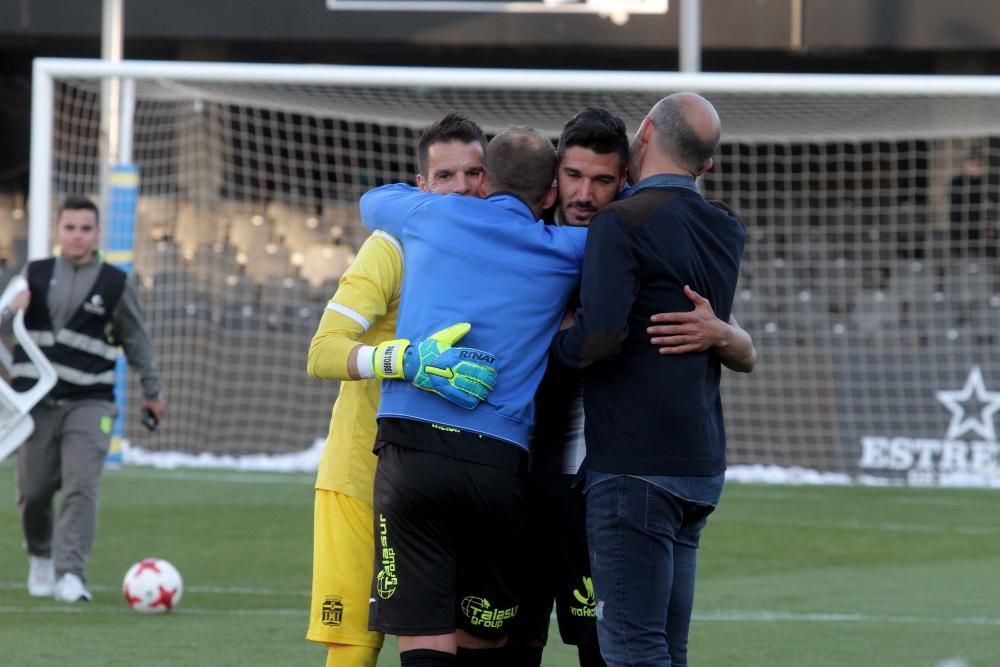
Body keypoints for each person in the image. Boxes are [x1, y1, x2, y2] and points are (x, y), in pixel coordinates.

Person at [513, 107, 756, 667]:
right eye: (572, 177)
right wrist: (734, 339)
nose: (585, 193)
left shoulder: (620, 225)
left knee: (625, 649)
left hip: (623, 470)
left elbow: (601, 336)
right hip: (670, 467)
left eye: (601, 180)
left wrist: (551, 341)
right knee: (655, 646)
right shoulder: (723, 225)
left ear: (636, 150)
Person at [360, 127, 587, 667]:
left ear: (482, 180)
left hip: (409, 453)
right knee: (481, 641)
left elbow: (371, 202)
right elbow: (627, 236)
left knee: (422, 638)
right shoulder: (566, 249)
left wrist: (428, 195)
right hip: (496, 462)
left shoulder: (430, 215)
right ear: (550, 195)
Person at [305, 113, 490, 667]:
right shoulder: (391, 248)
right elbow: (322, 350)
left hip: (454, 477)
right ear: (422, 187)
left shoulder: (503, 252)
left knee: (455, 644)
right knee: (355, 649)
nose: (462, 188)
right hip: (363, 476)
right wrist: (400, 359)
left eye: (474, 174)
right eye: (446, 176)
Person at [3, 195, 166, 603]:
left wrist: (152, 392)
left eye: (85, 229)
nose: (77, 236)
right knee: (34, 492)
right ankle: (40, 555)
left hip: (91, 401)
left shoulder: (115, 282)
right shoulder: (34, 274)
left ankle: (70, 574)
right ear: (59, 231)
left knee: (81, 486)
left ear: (96, 234)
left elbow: (137, 340)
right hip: (35, 404)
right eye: (70, 228)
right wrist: (12, 310)